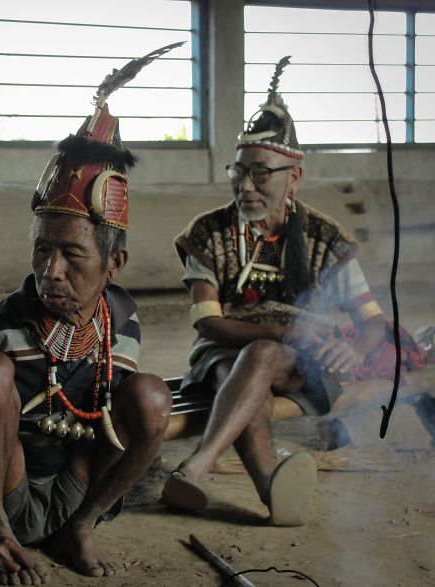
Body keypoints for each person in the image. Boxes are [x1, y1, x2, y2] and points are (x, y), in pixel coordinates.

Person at [0, 46, 182, 585]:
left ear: (114, 264)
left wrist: (84, 511)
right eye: (41, 250)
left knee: (151, 397)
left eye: (72, 254)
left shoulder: (122, 323)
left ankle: (82, 527)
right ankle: (0, 536)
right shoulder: (0, 328)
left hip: (71, 493)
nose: (50, 271)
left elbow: (113, 422)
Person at [162, 57, 387, 526]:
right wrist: (286, 332)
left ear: (294, 177)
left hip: (304, 365)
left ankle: (195, 466)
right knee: (251, 375)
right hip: (221, 356)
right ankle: (269, 487)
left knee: (262, 356)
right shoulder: (207, 233)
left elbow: (372, 322)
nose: (245, 186)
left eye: (260, 173)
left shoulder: (326, 238)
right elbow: (208, 323)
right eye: (238, 171)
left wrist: (355, 352)